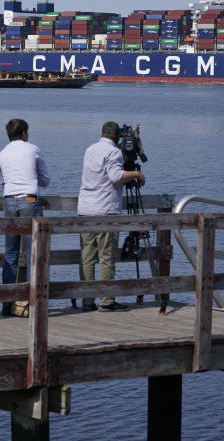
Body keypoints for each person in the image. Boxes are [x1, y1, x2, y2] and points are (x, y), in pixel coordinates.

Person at [77, 121, 146, 312]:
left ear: (101, 133)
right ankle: (106, 300)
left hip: (85, 210)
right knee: (106, 257)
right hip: (105, 210)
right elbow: (116, 176)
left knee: (87, 257)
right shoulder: (114, 152)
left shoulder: (90, 149)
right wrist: (136, 174)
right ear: (118, 138)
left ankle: (87, 300)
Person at [0, 118, 50, 316]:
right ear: (24, 133)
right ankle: (31, 301)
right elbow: (45, 180)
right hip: (29, 201)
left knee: (10, 253)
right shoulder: (33, 149)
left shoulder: (1, 154)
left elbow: (3, 181)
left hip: (9, 202)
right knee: (32, 254)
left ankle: (7, 301)